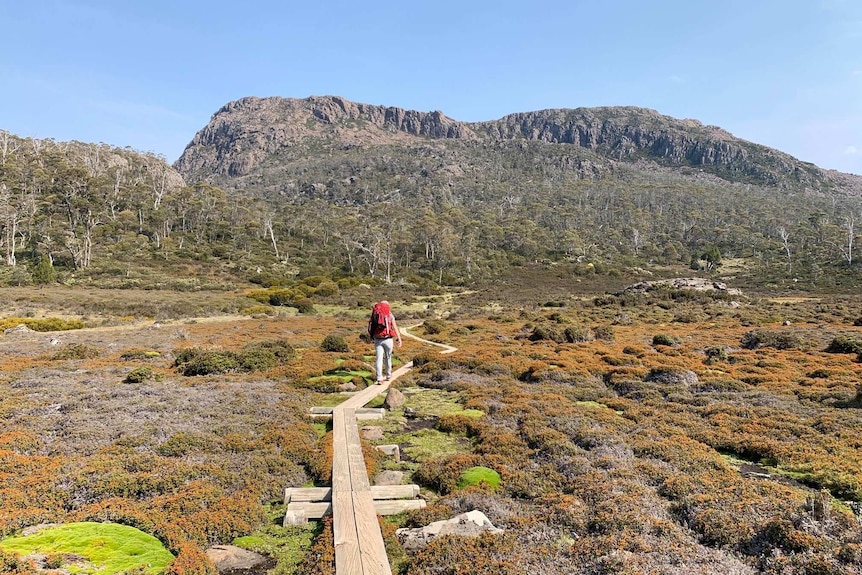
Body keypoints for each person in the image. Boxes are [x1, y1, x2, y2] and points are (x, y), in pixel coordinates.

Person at [367, 300, 402, 383]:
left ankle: (379, 378)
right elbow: (395, 327)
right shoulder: (390, 315)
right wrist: (399, 338)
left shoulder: (375, 314)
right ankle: (388, 375)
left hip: (378, 339)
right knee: (388, 357)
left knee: (379, 359)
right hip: (388, 339)